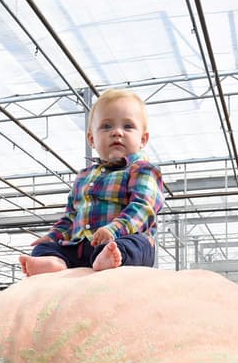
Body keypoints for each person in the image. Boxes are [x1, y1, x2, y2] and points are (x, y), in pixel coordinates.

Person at [19, 88, 165, 276]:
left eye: (128, 126)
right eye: (106, 126)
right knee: (43, 248)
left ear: (143, 139)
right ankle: (56, 261)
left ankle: (112, 257)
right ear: (91, 139)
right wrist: (52, 236)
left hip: (123, 238)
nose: (117, 132)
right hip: (82, 246)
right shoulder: (83, 177)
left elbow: (143, 208)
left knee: (137, 245)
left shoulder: (142, 169)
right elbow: (71, 217)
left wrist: (113, 230)